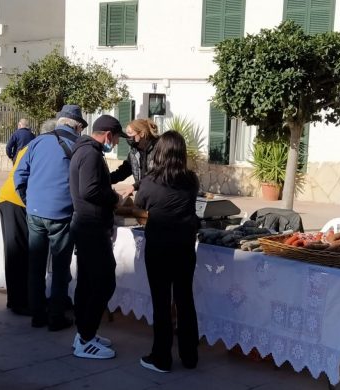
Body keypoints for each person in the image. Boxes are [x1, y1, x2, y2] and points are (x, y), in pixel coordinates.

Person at [13, 105, 87, 331]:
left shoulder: (37, 142)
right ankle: (56, 317)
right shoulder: (79, 147)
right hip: (62, 214)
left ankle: (37, 315)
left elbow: (19, 174)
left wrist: (29, 200)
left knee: (35, 266)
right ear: (78, 126)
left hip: (35, 212)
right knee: (60, 268)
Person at [134, 130, 200, 373]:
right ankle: (190, 355)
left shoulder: (151, 182)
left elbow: (139, 205)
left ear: (159, 153)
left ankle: (161, 357)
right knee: (185, 300)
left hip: (159, 248)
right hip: (184, 247)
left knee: (161, 303)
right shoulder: (191, 180)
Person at [69, 114, 127, 359]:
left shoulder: (84, 150)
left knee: (87, 283)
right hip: (90, 227)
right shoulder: (91, 154)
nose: (114, 144)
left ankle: (84, 333)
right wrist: (115, 199)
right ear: (108, 135)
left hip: (88, 226)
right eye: (114, 140)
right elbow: (90, 190)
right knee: (103, 282)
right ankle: (85, 338)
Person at [0, 119, 57, 316]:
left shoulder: (36, 145)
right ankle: (19, 302)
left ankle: (17, 299)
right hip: (16, 201)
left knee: (17, 252)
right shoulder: (42, 147)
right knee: (18, 253)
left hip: (12, 199)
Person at [110, 118, 159, 197]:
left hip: (159, 196)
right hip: (144, 195)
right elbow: (122, 172)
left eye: (130, 133)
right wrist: (105, 179)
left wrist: (134, 186)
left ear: (142, 133)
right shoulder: (134, 152)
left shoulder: (159, 149)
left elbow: (156, 175)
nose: (127, 137)